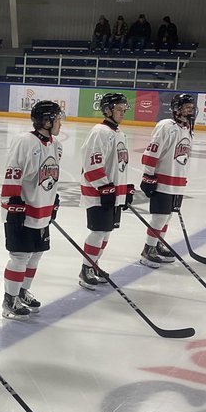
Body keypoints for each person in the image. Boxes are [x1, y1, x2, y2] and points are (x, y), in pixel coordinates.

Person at [0, 99, 63, 320]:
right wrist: (12, 204)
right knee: (20, 256)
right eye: (57, 119)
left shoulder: (56, 145)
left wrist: (53, 200)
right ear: (46, 121)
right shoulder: (25, 142)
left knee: (36, 255)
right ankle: (10, 299)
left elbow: (51, 176)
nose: (60, 123)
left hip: (41, 210)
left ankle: (22, 292)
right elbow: (13, 172)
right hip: (23, 210)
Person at [77, 92, 134, 290]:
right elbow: (91, 163)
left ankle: (94, 264)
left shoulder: (119, 134)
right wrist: (103, 187)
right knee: (98, 231)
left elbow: (119, 166)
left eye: (124, 109)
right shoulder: (100, 132)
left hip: (112, 192)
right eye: (119, 109)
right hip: (98, 193)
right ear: (108, 110)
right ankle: (86, 269)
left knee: (106, 233)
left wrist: (124, 189)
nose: (123, 112)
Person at [138, 93, 194, 269]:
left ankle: (158, 245)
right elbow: (152, 152)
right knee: (160, 217)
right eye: (186, 107)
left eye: (191, 108)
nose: (190, 111)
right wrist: (148, 175)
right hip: (162, 180)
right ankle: (148, 250)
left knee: (167, 217)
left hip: (177, 182)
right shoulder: (165, 126)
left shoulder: (187, 128)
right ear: (177, 108)